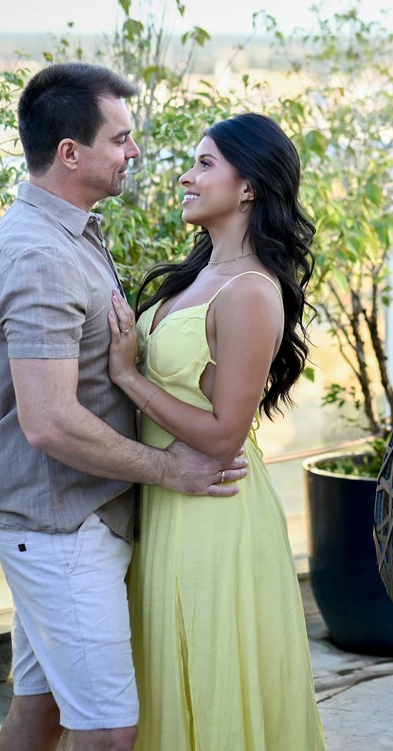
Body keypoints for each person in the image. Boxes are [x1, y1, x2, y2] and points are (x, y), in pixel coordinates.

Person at [0, 61, 248, 751]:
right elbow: (48, 420)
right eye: (120, 139)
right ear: (70, 152)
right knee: (109, 733)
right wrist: (170, 469)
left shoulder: (69, 234)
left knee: (40, 710)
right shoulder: (40, 254)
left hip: (64, 521)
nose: (135, 152)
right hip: (62, 526)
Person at [106, 112, 326, 750]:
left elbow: (226, 434)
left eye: (205, 164)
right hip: (168, 498)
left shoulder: (252, 291)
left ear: (248, 186)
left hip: (214, 509)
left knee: (207, 673)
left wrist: (128, 377)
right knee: (165, 674)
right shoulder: (200, 275)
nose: (186, 176)